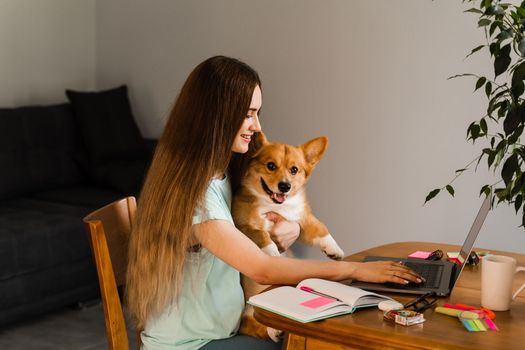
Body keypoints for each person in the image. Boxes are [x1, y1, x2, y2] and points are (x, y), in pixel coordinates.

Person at [125, 56, 422, 350]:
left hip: (219, 329)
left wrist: (291, 227)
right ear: (216, 115)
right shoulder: (196, 194)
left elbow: (252, 228)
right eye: (249, 113)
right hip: (191, 344)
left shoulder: (222, 172)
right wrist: (355, 270)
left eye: (257, 113)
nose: (256, 125)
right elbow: (261, 269)